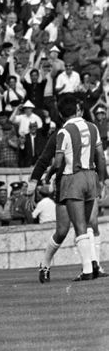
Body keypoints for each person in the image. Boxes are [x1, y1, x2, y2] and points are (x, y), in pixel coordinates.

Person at [52, 95, 107, 281]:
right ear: (78, 109)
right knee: (92, 223)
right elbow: (101, 156)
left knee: (80, 225)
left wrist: (50, 173)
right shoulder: (93, 127)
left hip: (73, 177)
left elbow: (58, 161)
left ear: (60, 114)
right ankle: (96, 265)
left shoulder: (63, 132)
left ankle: (87, 270)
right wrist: (102, 179)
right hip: (91, 176)